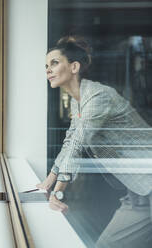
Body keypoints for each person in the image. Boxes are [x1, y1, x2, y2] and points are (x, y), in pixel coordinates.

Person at [37, 36, 152, 247]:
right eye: (46, 65)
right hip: (139, 192)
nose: (48, 69)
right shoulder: (77, 100)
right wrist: (47, 183)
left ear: (74, 67)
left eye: (54, 63)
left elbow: (78, 144)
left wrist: (58, 192)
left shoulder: (98, 96)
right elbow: (70, 141)